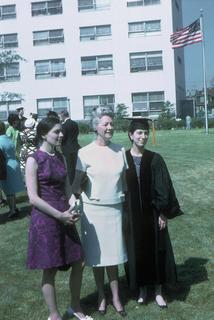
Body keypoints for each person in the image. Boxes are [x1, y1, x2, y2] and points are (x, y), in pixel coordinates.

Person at [25, 117, 92, 320]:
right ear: (44, 134)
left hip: (64, 215)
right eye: (56, 132)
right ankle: (54, 315)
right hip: (45, 220)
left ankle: (75, 305)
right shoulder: (33, 159)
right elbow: (33, 198)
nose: (61, 135)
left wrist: (74, 205)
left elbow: (67, 189)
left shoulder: (60, 157)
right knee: (50, 268)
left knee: (79, 261)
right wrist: (59, 215)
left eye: (61, 131)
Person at [70, 107, 128, 316]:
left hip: (114, 209)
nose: (110, 127)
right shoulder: (84, 152)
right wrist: (71, 202)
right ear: (96, 127)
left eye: (111, 124)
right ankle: (101, 297)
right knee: (96, 256)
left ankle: (116, 297)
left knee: (113, 256)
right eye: (106, 124)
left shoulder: (121, 150)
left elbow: (125, 183)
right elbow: (76, 185)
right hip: (93, 211)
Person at [125, 118, 183, 308]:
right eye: (139, 133)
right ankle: (142, 289)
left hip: (152, 215)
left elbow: (164, 189)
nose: (143, 136)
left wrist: (163, 213)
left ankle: (158, 291)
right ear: (130, 135)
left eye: (145, 133)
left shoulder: (155, 158)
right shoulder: (123, 159)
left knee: (157, 251)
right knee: (136, 252)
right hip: (132, 216)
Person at [0, 121, 25, 218]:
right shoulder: (7, 138)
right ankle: (14, 207)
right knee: (11, 190)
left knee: (8, 190)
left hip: (6, 166)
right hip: (13, 162)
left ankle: (12, 210)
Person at [59, 110, 81, 185]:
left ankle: (71, 183)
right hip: (76, 146)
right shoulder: (75, 123)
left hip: (67, 148)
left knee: (69, 168)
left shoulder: (64, 125)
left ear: (62, 115)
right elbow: (77, 134)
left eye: (60, 116)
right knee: (76, 167)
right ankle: (77, 182)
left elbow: (63, 137)